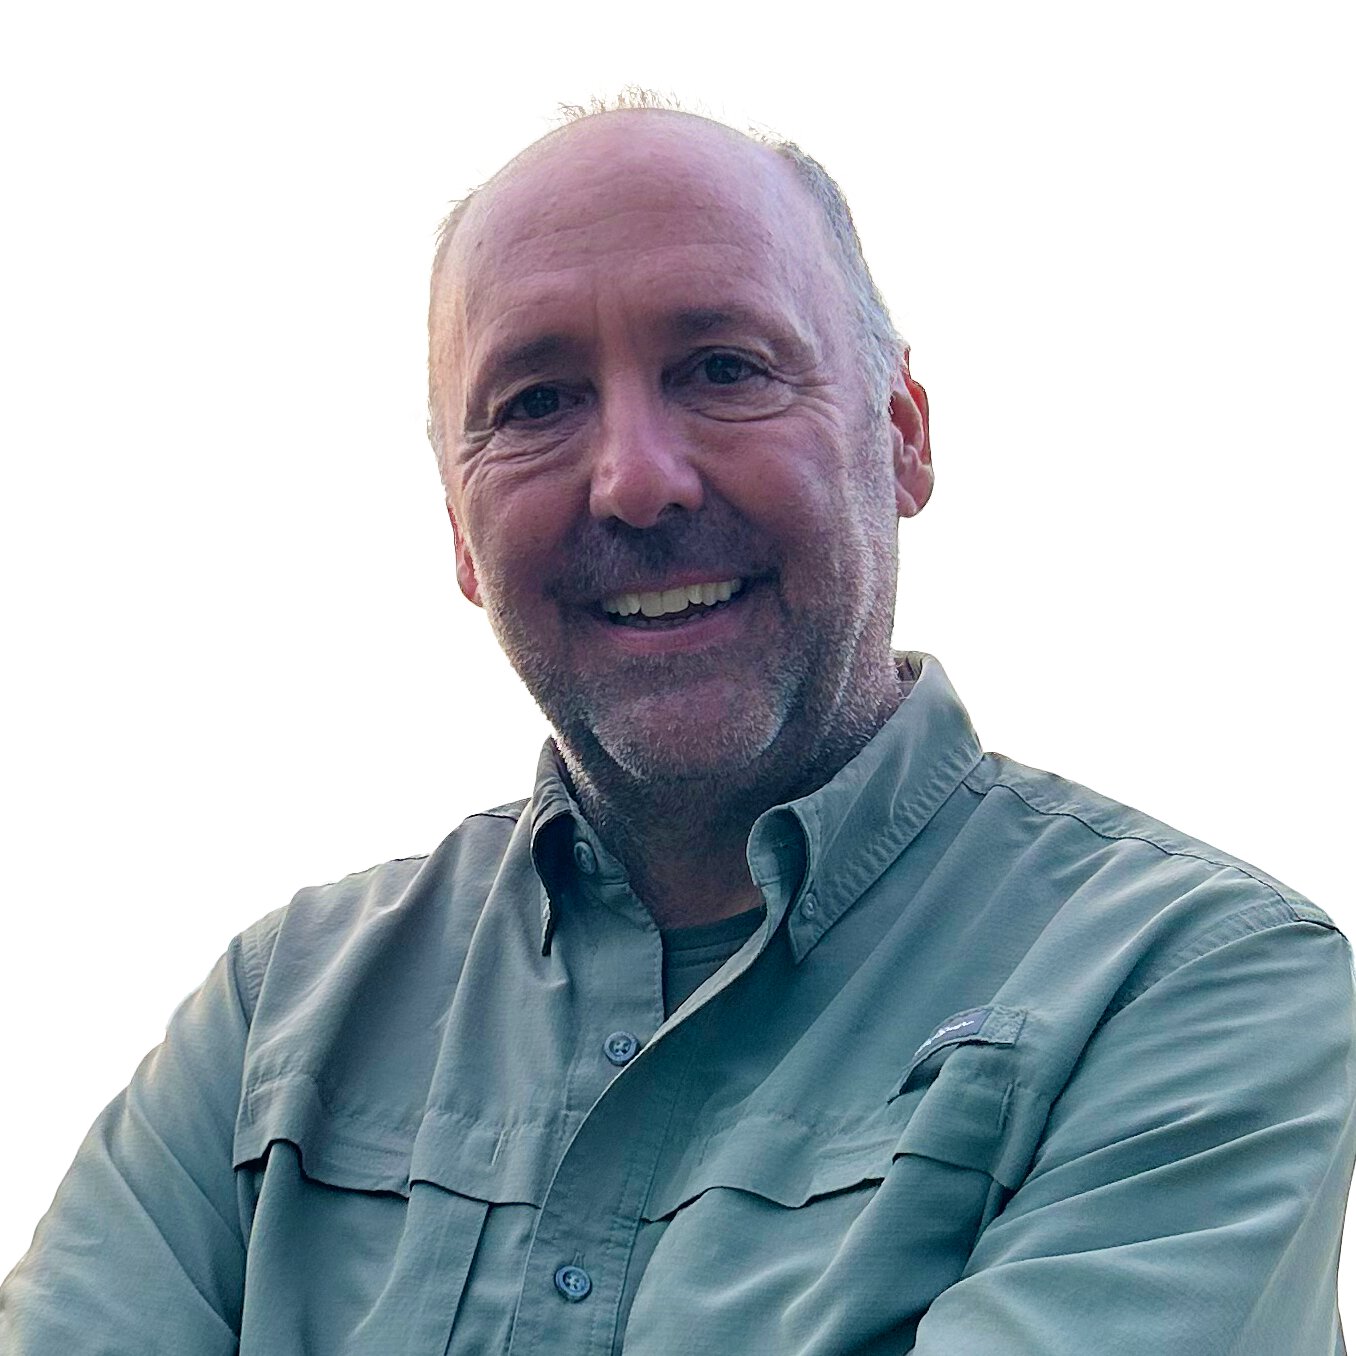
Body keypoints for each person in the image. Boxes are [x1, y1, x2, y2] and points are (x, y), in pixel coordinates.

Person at [3, 99, 1354, 1355]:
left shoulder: (1194, 985)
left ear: (902, 437)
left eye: (722, 368)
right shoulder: (271, 1023)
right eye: (535, 403)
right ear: (458, 530)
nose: (636, 481)